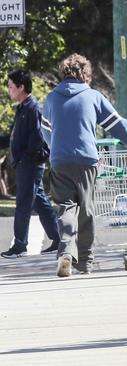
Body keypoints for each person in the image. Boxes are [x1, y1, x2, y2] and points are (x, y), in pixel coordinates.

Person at [42, 54, 127, 277]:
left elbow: (45, 130)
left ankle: (66, 251)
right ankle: (85, 262)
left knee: (65, 207)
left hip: (60, 160)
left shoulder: (51, 98)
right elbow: (116, 123)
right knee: (86, 209)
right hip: (87, 160)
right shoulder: (93, 96)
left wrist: (56, 148)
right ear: (86, 74)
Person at [0, 70, 61, 259]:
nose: (9, 90)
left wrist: (24, 159)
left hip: (30, 164)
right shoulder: (22, 108)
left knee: (23, 204)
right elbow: (12, 139)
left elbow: (37, 139)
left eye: (11, 86)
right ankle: (58, 238)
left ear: (21, 87)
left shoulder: (34, 109)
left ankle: (19, 245)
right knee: (40, 202)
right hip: (25, 163)